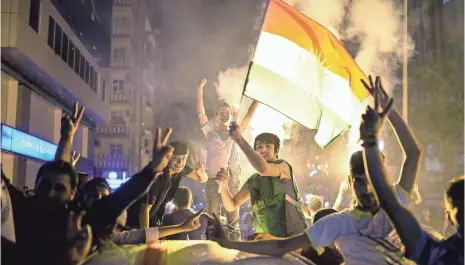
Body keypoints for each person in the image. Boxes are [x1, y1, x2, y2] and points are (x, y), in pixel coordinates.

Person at [208, 76, 422, 265]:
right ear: (349, 181)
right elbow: (279, 245)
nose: (367, 188)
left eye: (372, 180)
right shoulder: (340, 223)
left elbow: (413, 155)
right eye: (359, 180)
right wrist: (228, 241)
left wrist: (389, 111)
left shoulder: (396, 204)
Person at [359, 79, 463, 264]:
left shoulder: (437, 254)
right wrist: (369, 140)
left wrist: (370, 140)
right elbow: (390, 203)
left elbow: (390, 201)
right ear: (449, 217)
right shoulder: (436, 254)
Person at [196, 77, 259, 240]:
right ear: (216, 115)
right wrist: (200, 89)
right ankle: (211, 248)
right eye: (221, 112)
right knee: (213, 219)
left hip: (231, 180)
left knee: (233, 220)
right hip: (212, 179)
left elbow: (249, 117)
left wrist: (258, 98)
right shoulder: (209, 131)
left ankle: (235, 250)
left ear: (231, 116)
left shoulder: (234, 131)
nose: (224, 114)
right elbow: (200, 112)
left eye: (227, 112)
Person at [217, 129, 307, 238]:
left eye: (268, 146)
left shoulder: (283, 166)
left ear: (276, 150)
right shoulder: (255, 180)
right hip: (268, 243)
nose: (263, 149)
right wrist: (223, 186)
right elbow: (231, 205)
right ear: (255, 151)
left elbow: (263, 169)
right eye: (259, 146)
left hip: (293, 238)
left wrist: (240, 139)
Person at [126, 140, 208, 229]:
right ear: (168, 157)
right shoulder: (158, 175)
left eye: (183, 158)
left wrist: (202, 173)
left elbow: (202, 179)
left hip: (153, 219)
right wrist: (145, 236)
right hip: (134, 224)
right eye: (175, 158)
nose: (180, 163)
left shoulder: (180, 169)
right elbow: (144, 210)